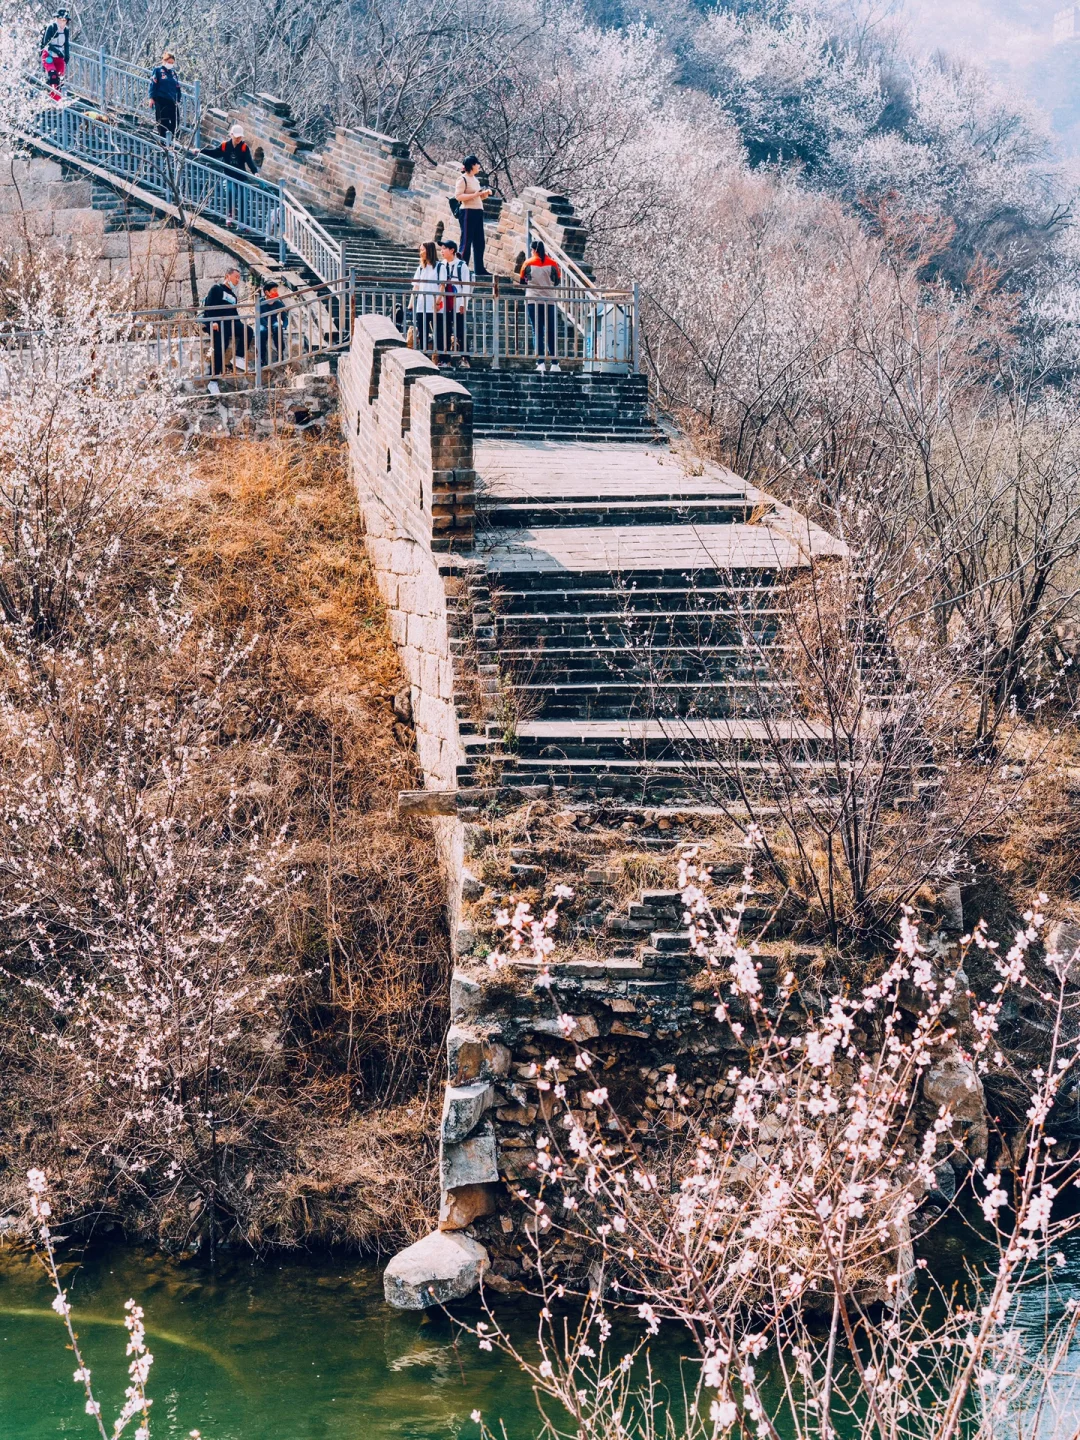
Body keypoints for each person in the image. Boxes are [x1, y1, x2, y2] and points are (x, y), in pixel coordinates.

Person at [518, 239, 562, 372]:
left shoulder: (528, 263)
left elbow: (522, 281)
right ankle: (555, 363)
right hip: (549, 300)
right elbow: (557, 281)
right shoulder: (552, 263)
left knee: (537, 331)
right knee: (551, 331)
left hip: (533, 300)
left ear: (533, 250)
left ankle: (540, 362)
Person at [210, 124, 259, 228]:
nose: (238, 139)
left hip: (241, 177)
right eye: (236, 137)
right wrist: (200, 151)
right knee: (231, 192)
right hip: (229, 176)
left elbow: (249, 161)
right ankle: (230, 215)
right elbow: (214, 153)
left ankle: (242, 223)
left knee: (243, 197)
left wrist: (255, 172)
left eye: (240, 137)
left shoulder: (244, 147)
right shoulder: (224, 146)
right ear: (231, 135)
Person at [202, 266, 247, 376]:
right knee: (220, 347)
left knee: (247, 331)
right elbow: (208, 307)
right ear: (227, 276)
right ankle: (213, 380)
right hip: (217, 324)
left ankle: (238, 357)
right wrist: (213, 321)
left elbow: (234, 313)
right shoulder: (216, 289)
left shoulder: (233, 296)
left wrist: (239, 325)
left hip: (229, 324)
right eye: (236, 277)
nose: (238, 280)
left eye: (239, 278)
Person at [435, 238, 472, 367]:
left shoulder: (461, 266)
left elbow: (466, 286)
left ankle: (465, 358)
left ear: (452, 250)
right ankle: (445, 359)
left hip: (457, 305)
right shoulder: (441, 265)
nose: (442, 251)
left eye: (444, 248)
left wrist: (463, 304)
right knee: (443, 331)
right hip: (444, 305)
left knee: (460, 332)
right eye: (441, 249)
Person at [454, 156, 491, 278]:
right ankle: (461, 267)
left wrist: (484, 194)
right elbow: (458, 196)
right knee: (466, 240)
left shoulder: (475, 179)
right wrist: (475, 194)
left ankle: (479, 268)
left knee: (479, 241)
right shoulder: (462, 179)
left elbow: (477, 197)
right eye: (477, 164)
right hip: (467, 211)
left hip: (478, 211)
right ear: (472, 165)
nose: (479, 166)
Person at [411, 241, 439, 355]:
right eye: (420, 250)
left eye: (423, 250)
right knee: (422, 331)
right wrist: (411, 302)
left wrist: (438, 302)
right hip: (422, 305)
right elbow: (416, 286)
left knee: (437, 331)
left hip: (434, 305)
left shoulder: (438, 266)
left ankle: (437, 355)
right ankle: (423, 354)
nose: (421, 252)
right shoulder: (421, 268)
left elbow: (442, 286)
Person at [148, 51, 181, 140]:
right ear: (164, 61)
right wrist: (151, 97)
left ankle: (173, 140)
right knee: (163, 121)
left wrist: (178, 98)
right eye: (169, 62)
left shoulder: (173, 73)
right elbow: (153, 83)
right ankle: (162, 140)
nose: (170, 64)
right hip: (161, 99)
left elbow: (177, 86)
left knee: (175, 121)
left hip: (172, 99)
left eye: (172, 63)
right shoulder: (158, 70)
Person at [39, 8, 69, 102]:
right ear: (56, 18)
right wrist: (57, 51)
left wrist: (67, 54)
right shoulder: (51, 27)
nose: (62, 22)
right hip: (49, 54)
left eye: (64, 20)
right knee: (53, 75)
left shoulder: (66, 30)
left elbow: (66, 43)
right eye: (60, 19)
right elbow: (46, 43)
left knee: (60, 78)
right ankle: (51, 97)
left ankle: (58, 98)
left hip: (59, 56)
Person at [258, 280, 288, 367]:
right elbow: (259, 316)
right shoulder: (260, 302)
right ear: (267, 292)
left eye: (276, 290)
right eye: (274, 290)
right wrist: (266, 325)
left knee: (278, 327)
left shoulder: (277, 303)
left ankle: (280, 354)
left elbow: (284, 317)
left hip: (273, 322)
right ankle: (262, 358)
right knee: (262, 332)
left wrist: (284, 326)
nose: (276, 293)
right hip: (262, 323)